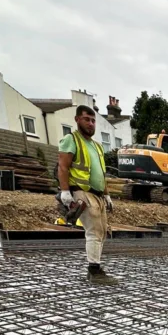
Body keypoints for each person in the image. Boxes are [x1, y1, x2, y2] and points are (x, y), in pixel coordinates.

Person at [57, 105, 116, 285]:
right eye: (86, 119)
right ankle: (94, 270)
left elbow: (101, 173)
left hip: (97, 194)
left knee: (101, 231)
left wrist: (107, 195)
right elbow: (63, 167)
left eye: (93, 120)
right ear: (77, 120)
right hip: (82, 191)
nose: (90, 124)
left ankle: (95, 267)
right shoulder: (71, 140)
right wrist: (65, 192)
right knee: (94, 231)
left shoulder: (97, 146)